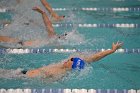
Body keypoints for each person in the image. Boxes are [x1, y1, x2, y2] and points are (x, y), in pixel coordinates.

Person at [15, 42, 122, 79]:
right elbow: (95, 57)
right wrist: (112, 50)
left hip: (22, 77)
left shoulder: (59, 73)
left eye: (72, 60)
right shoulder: (62, 65)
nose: (69, 58)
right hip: (24, 72)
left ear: (72, 66)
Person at [0, 1, 67, 47]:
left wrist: (42, 13)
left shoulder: (51, 38)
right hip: (21, 43)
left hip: (20, 44)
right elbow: (48, 24)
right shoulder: (51, 39)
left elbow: (48, 24)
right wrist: (42, 13)